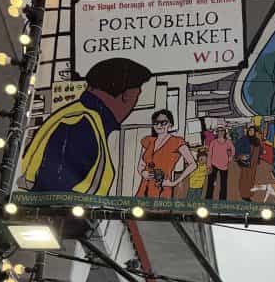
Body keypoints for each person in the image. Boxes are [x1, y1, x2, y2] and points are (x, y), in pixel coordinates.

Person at [20, 57, 152, 195]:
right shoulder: (80, 125)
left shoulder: (81, 118)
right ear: (127, 95)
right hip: (47, 215)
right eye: (137, 95)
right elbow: (55, 191)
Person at [134, 109, 198, 199]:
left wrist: (174, 183)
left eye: (163, 122)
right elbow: (141, 164)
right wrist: (143, 172)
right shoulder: (147, 141)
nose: (159, 125)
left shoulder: (177, 141)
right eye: (156, 123)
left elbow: (193, 164)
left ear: (170, 124)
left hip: (162, 186)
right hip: (144, 185)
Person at [205, 126, 234, 200]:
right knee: (210, 183)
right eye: (219, 131)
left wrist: (229, 159)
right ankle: (208, 199)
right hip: (213, 164)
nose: (220, 133)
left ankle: (222, 201)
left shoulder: (228, 142)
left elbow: (233, 151)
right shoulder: (213, 142)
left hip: (224, 166)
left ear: (224, 132)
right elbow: (210, 154)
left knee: (223, 184)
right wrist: (209, 165)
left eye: (222, 131)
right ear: (217, 133)